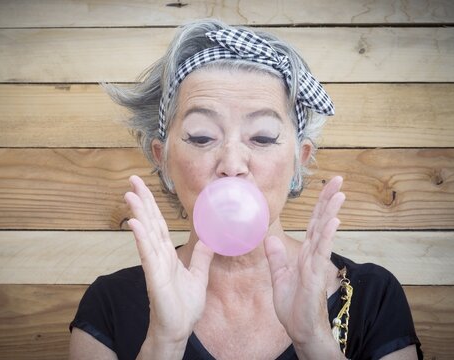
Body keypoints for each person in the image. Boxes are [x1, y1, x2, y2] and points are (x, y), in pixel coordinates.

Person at [69, 19, 422, 359]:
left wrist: (315, 341)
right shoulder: (107, 305)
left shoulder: (373, 296)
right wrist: (165, 342)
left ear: (299, 161)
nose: (233, 164)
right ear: (164, 161)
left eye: (263, 137)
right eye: (202, 137)